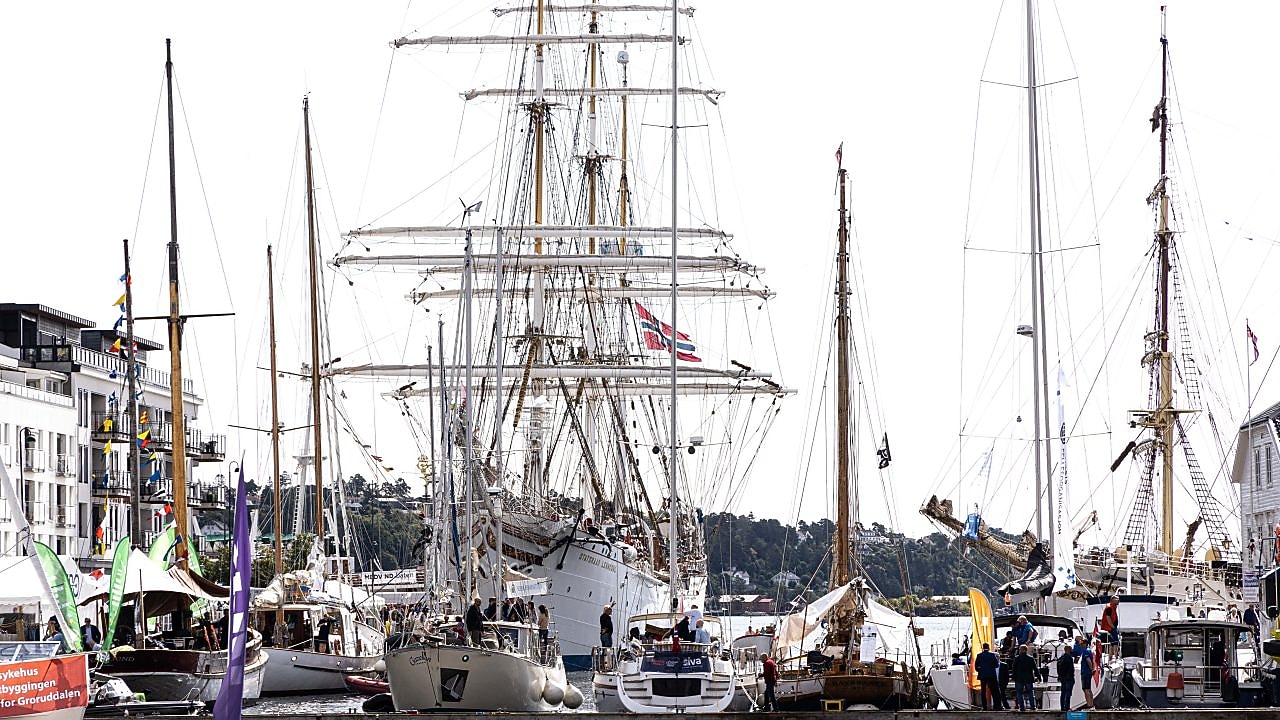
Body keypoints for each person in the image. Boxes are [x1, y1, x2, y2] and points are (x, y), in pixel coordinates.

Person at [975, 642, 1005, 710]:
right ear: (988, 647)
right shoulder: (992, 655)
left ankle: (984, 707)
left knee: (983, 692)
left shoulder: (979, 655)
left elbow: (976, 666)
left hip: (983, 676)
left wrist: (980, 671)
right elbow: (996, 665)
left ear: (983, 647)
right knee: (995, 691)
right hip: (991, 675)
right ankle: (997, 706)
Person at [1012, 644, 1037, 710]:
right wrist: (1039, 677)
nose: (1019, 650)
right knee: (1030, 693)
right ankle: (1033, 706)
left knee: (1019, 693)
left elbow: (1014, 669)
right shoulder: (1031, 658)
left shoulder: (1017, 658)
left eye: (1020, 649)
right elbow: (1035, 669)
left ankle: (1022, 707)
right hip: (1029, 678)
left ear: (1022, 650)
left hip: (1019, 679)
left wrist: (1013, 677)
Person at [1073, 636, 1095, 708]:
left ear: (1085, 644)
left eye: (1082, 644)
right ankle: (1091, 704)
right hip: (1087, 672)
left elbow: (1088, 661)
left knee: (1085, 689)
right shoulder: (1089, 650)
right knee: (1088, 689)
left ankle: (1089, 705)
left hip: (1085, 672)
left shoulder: (1085, 651)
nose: (1081, 645)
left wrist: (1091, 669)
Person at [1056, 645, 1076, 712]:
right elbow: (1071, 669)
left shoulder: (1061, 658)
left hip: (1062, 678)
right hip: (1069, 678)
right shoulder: (1069, 658)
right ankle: (1067, 707)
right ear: (1069, 650)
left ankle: (1062, 707)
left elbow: (1058, 669)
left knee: (1063, 693)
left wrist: (1060, 676)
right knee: (1068, 693)